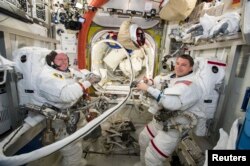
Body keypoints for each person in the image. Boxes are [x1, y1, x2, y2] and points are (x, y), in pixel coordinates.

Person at [34, 50, 101, 166]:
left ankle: (79, 162)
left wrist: (91, 76)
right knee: (72, 151)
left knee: (79, 140)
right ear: (51, 62)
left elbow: (94, 77)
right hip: (60, 120)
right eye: (59, 59)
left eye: (65, 59)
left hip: (74, 114)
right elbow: (66, 95)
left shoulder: (70, 71)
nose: (64, 62)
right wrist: (87, 82)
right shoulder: (47, 77)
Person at [135, 54, 203, 166]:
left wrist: (147, 89)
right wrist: (150, 82)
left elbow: (171, 103)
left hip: (173, 128)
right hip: (161, 121)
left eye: (184, 65)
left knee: (153, 158)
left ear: (191, 68)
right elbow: (161, 81)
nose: (179, 67)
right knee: (143, 138)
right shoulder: (174, 76)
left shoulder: (190, 85)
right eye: (177, 63)